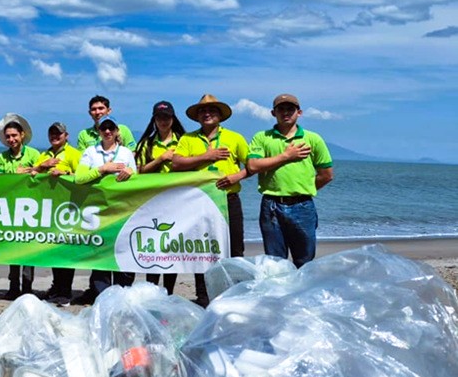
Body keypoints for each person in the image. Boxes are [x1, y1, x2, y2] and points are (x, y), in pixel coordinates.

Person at [171, 94, 250, 307]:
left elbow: (253, 165)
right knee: (200, 252)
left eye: (212, 110)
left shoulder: (235, 138)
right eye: (202, 111)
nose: (207, 114)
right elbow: (176, 163)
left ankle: (236, 297)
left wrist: (237, 176)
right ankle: (204, 299)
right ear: (197, 117)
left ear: (220, 115)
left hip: (229, 200)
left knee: (235, 251)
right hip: (198, 204)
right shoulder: (188, 139)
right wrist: (207, 156)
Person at [247, 94, 334, 267]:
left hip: (303, 206)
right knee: (275, 261)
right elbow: (253, 166)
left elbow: (327, 175)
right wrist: (286, 156)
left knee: (305, 260)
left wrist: (303, 189)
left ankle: (302, 294)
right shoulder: (262, 137)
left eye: (290, 109)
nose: (286, 112)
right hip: (271, 206)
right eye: (281, 109)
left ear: (299, 112)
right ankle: (280, 294)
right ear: (273, 113)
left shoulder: (313, 139)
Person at [74, 116, 138, 304]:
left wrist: (132, 172)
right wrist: (103, 169)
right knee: (100, 254)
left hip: (122, 211)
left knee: (123, 252)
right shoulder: (90, 152)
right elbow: (79, 178)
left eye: (111, 128)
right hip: (98, 211)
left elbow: (137, 179)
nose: (108, 131)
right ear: (99, 131)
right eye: (104, 128)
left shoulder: (126, 153)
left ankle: (123, 297)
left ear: (117, 131)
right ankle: (101, 297)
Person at [134, 101, 186, 294]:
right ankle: (153, 291)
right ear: (154, 119)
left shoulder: (184, 140)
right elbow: (139, 171)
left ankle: (169, 292)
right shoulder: (146, 143)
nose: (163, 121)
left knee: (172, 248)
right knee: (153, 248)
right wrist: (161, 159)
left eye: (167, 117)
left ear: (173, 118)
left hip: (178, 203)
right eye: (159, 118)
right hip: (153, 204)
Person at [32, 122, 82, 306]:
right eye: (51, 133)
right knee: (53, 248)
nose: (55, 136)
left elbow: (83, 175)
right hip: (49, 208)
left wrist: (66, 172)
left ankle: (65, 290)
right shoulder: (43, 155)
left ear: (66, 135)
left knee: (67, 249)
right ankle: (57, 286)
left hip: (69, 207)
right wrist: (42, 167)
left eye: (58, 133)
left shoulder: (74, 154)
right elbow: (32, 176)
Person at [0, 113, 40, 299]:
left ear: (22, 135)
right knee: (12, 248)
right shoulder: (2, 157)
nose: (11, 139)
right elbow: (1, 180)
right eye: (8, 136)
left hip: (31, 208)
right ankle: (13, 286)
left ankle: (27, 287)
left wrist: (34, 171)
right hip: (11, 209)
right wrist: (18, 173)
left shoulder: (34, 154)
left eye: (14, 135)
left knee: (28, 248)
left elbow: (40, 175)